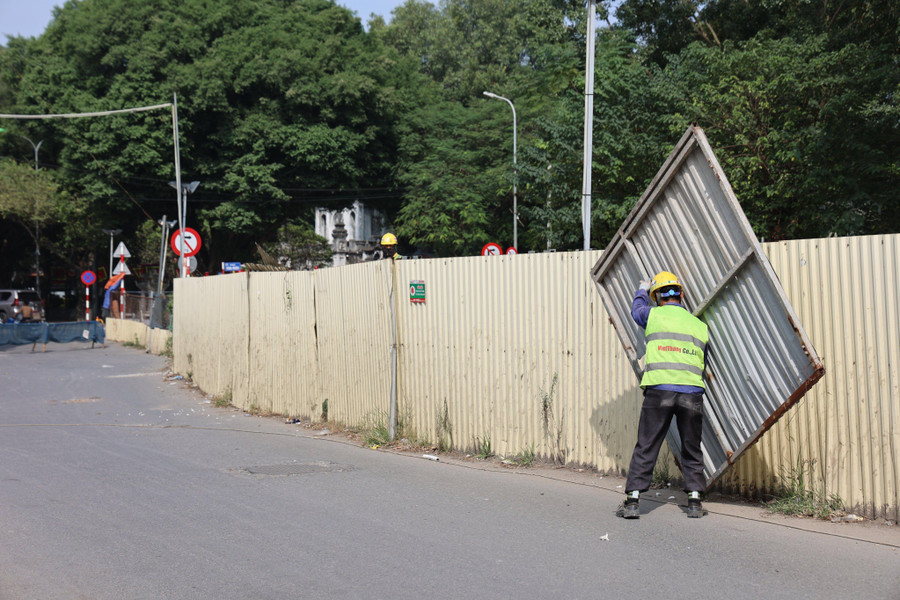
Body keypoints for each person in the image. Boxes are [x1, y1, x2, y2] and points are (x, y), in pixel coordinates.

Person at [617, 270, 709, 519]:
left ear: (657, 296)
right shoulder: (700, 325)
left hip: (659, 391)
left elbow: (636, 311)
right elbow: (704, 362)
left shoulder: (653, 315)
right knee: (691, 446)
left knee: (647, 444)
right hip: (691, 393)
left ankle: (633, 501)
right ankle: (694, 502)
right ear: (681, 294)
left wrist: (642, 289)